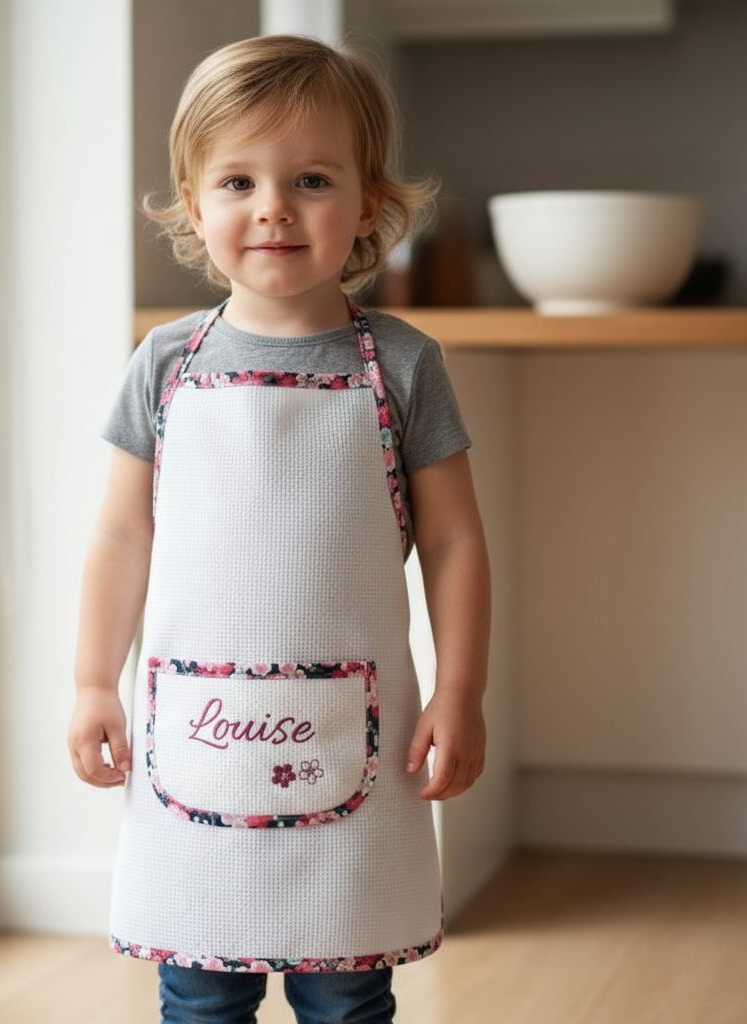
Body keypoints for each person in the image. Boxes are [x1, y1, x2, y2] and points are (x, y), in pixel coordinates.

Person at [68, 34, 491, 1024]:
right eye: (237, 180)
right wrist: (93, 679)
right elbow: (121, 536)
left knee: (346, 990)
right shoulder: (164, 363)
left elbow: (457, 542)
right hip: (195, 739)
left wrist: (461, 687)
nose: (272, 207)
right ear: (191, 204)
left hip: (359, 736)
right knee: (199, 992)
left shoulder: (402, 363)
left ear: (368, 207)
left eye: (309, 178)